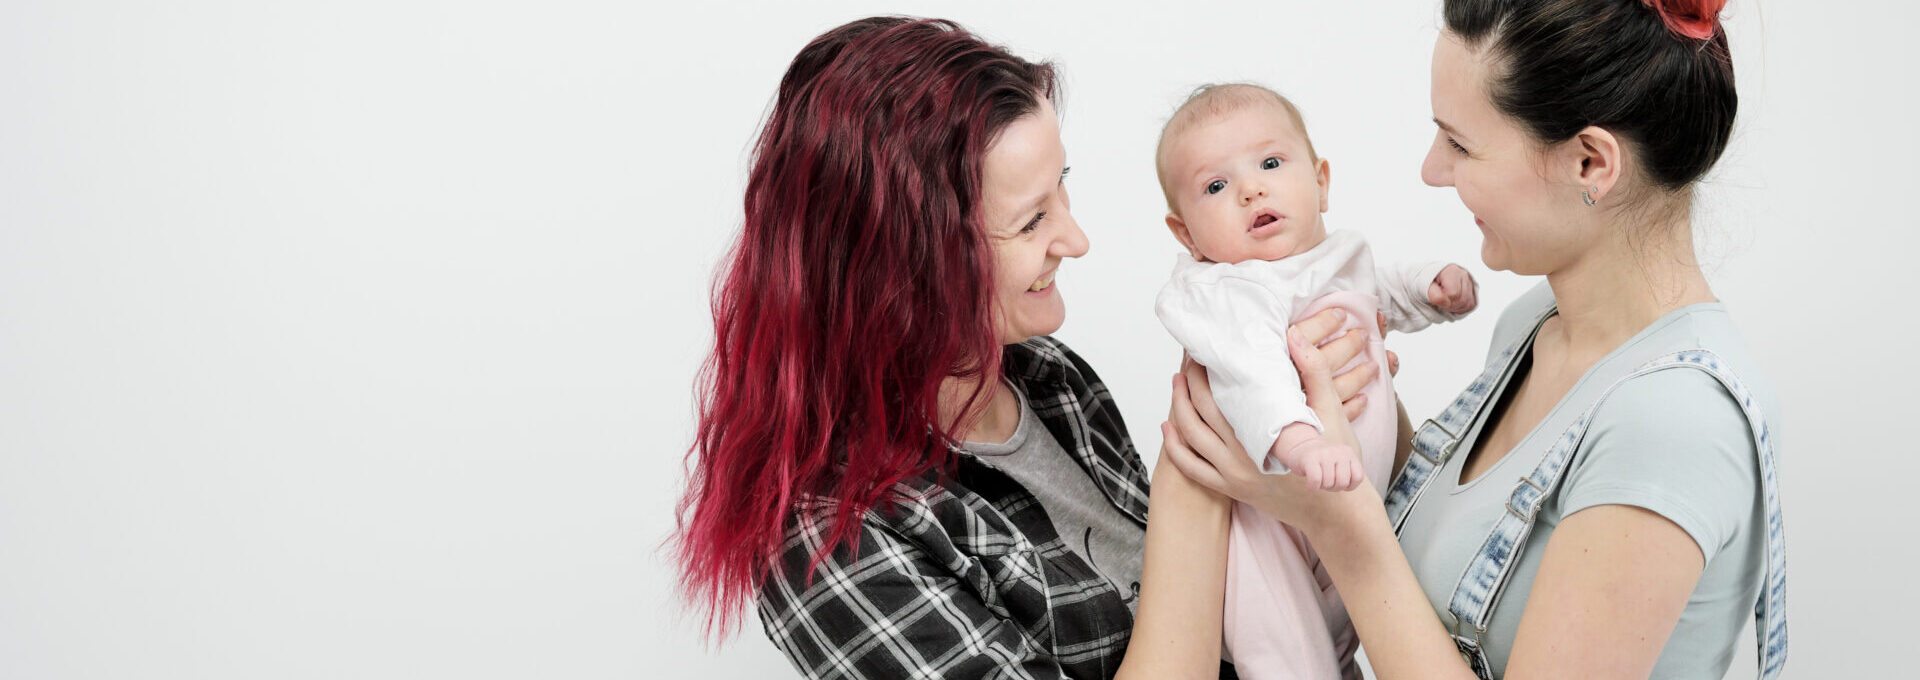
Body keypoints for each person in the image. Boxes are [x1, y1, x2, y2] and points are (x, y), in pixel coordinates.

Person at [672, 17, 1381, 680]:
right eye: (1033, 219)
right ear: (904, 264)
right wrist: (1197, 472)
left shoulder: (1050, 380)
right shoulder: (832, 545)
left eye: (1062, 189)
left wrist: (1328, 391)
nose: (1075, 240)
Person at [1160, 1, 1786, 679]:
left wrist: (1341, 528)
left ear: (1589, 164)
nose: (1432, 169)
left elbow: (1362, 535)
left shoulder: (1674, 423)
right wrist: (1332, 383)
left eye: (1459, 143)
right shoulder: (1535, 325)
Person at [1150, 82, 1477, 680]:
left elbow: (1377, 290)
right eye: (1216, 186)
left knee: (1348, 637)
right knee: (1286, 643)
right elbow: (1253, 372)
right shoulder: (1227, 292)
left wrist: (1433, 288)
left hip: (1347, 505)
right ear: (1186, 235)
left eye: (1271, 163)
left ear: (1321, 181)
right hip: (1268, 510)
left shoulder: (1334, 256)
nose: (1251, 189)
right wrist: (1302, 442)